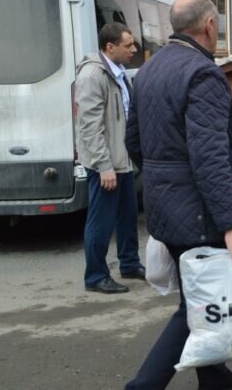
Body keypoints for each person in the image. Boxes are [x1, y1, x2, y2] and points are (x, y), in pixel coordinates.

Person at [124, 0, 232, 390]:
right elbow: (209, 155)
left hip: (166, 206)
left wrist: (163, 180)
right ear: (210, 26)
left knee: (201, 295)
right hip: (198, 212)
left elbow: (135, 142)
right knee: (195, 306)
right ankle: (142, 386)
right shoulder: (203, 74)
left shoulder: (148, 71)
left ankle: (214, 377)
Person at [75, 22, 144, 294]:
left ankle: (129, 263)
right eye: (128, 45)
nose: (134, 49)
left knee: (128, 217)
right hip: (106, 164)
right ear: (110, 47)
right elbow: (90, 126)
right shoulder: (93, 75)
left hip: (123, 160)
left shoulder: (118, 72)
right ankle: (95, 277)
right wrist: (104, 166)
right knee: (100, 222)